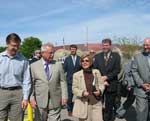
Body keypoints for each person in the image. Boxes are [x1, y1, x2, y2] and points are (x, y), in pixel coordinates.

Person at [30, 43, 68, 121]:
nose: (52, 54)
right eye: (50, 53)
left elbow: (63, 81)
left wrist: (64, 96)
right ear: (43, 53)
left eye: (53, 52)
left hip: (55, 100)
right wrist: (31, 98)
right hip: (40, 101)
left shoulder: (58, 65)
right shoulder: (33, 66)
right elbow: (31, 84)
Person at [0, 33, 31, 121]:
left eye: (18, 46)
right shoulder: (0, 58)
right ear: (7, 44)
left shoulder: (23, 60)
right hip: (1, 93)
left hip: (18, 94)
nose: (16, 48)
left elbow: (26, 80)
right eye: (13, 46)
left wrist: (25, 98)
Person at [94, 38, 121, 121]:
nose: (104, 47)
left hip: (111, 84)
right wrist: (101, 80)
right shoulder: (98, 56)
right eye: (103, 45)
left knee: (109, 106)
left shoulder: (116, 56)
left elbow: (117, 70)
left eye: (106, 45)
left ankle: (108, 119)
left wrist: (107, 77)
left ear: (110, 46)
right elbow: (95, 70)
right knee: (98, 104)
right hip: (100, 84)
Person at [72, 53, 105, 121]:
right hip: (84, 104)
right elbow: (74, 89)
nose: (84, 62)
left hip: (96, 103)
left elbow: (101, 84)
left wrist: (100, 91)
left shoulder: (96, 72)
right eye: (82, 61)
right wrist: (82, 92)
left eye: (87, 61)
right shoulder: (76, 75)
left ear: (90, 62)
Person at [131, 38, 150, 121]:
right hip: (141, 90)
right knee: (141, 115)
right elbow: (134, 71)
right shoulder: (137, 57)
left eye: (148, 45)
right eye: (144, 45)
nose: (145, 47)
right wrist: (142, 84)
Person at [63, 44, 81, 116]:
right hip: (69, 81)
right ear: (70, 50)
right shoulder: (67, 59)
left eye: (74, 49)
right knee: (69, 97)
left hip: (78, 81)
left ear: (76, 50)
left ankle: (79, 109)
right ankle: (70, 110)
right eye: (71, 49)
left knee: (79, 96)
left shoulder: (80, 58)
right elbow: (64, 69)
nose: (73, 50)